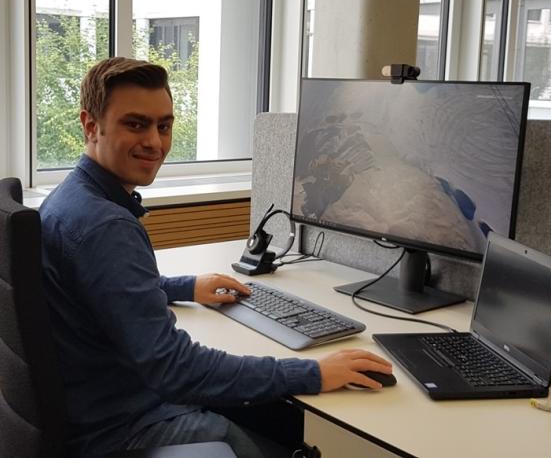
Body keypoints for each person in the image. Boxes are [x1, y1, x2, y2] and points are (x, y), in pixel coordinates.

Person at [38, 57, 394, 457]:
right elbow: (175, 368)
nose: (155, 142)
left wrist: (186, 286)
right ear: (91, 125)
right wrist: (313, 372)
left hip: (95, 407)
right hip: (124, 427)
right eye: (135, 124)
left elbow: (99, 291)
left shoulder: (72, 199)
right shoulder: (106, 225)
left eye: (164, 125)